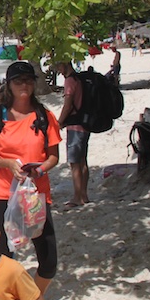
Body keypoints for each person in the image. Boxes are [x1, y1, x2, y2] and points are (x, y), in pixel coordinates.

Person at [0, 61, 61, 295]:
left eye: (28, 80)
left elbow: (53, 157)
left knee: (49, 259)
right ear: (9, 85)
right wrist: (7, 164)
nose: (24, 85)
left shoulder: (44, 116)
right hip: (2, 193)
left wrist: (40, 170)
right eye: (18, 81)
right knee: (4, 256)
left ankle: (31, 299)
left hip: (36, 195)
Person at [56, 60, 90, 208]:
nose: (58, 69)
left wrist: (59, 122)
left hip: (75, 125)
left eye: (59, 66)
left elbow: (68, 104)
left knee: (74, 163)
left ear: (65, 65)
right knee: (83, 161)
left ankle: (77, 197)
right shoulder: (79, 79)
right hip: (85, 123)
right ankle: (84, 194)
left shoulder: (70, 81)